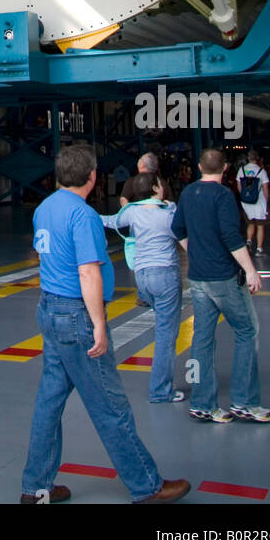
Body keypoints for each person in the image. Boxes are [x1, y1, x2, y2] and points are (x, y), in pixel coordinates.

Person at [21, 143, 189, 505]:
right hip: (76, 316)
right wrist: (98, 323)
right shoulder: (82, 216)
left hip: (49, 311)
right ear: (93, 176)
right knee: (110, 406)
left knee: (49, 402)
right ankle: (147, 486)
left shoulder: (43, 209)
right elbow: (87, 272)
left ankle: (36, 487)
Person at [171, 146, 270, 424]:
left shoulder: (188, 192)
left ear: (200, 167)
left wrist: (193, 250)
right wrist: (251, 271)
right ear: (225, 168)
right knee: (247, 331)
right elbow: (231, 236)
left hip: (198, 277)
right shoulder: (224, 196)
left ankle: (203, 404)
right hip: (223, 278)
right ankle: (245, 402)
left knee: (202, 339)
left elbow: (176, 228)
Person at [100, 172, 184, 403]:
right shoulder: (168, 212)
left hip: (142, 278)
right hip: (165, 275)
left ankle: (163, 379)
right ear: (157, 188)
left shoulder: (133, 212)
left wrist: (87, 213)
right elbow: (182, 233)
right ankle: (160, 390)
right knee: (167, 335)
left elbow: (109, 221)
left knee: (162, 325)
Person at [236, 154, 270, 254]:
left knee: (250, 223)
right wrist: (266, 201)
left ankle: (249, 241)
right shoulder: (261, 171)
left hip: (246, 202)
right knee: (260, 225)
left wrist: (244, 196)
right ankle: (259, 249)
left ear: (248, 158)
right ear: (257, 159)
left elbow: (239, 185)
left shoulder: (241, 170)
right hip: (259, 202)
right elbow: (265, 188)